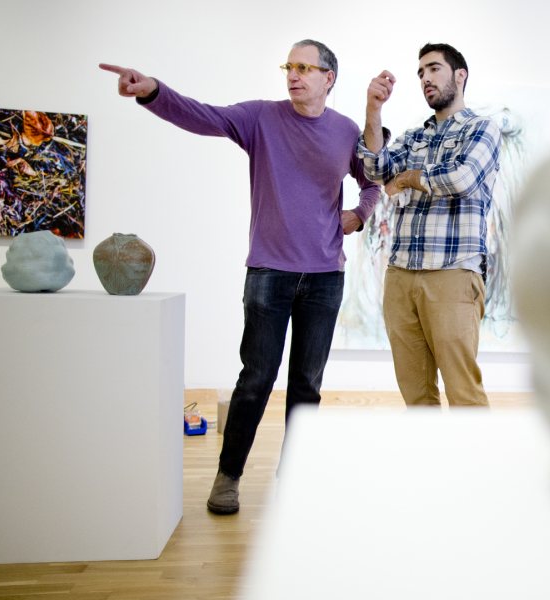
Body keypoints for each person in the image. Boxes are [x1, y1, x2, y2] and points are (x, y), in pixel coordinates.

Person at [100, 39, 380, 515]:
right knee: (255, 380)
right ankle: (228, 476)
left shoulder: (346, 130)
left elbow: (372, 178)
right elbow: (200, 115)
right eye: (288, 66)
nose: (293, 75)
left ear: (328, 78)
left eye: (304, 68)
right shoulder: (260, 118)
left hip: (325, 278)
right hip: (269, 273)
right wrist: (152, 92)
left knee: (307, 386)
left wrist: (360, 212)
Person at [357, 43, 501, 407]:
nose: (425, 78)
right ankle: (431, 464)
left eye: (434, 69)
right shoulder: (413, 137)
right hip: (401, 276)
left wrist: (405, 179)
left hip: (453, 274)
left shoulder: (482, 129)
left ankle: (478, 466)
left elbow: (462, 178)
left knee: (463, 392)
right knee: (416, 395)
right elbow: (375, 169)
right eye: (421, 73)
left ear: (460, 75)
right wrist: (374, 110)